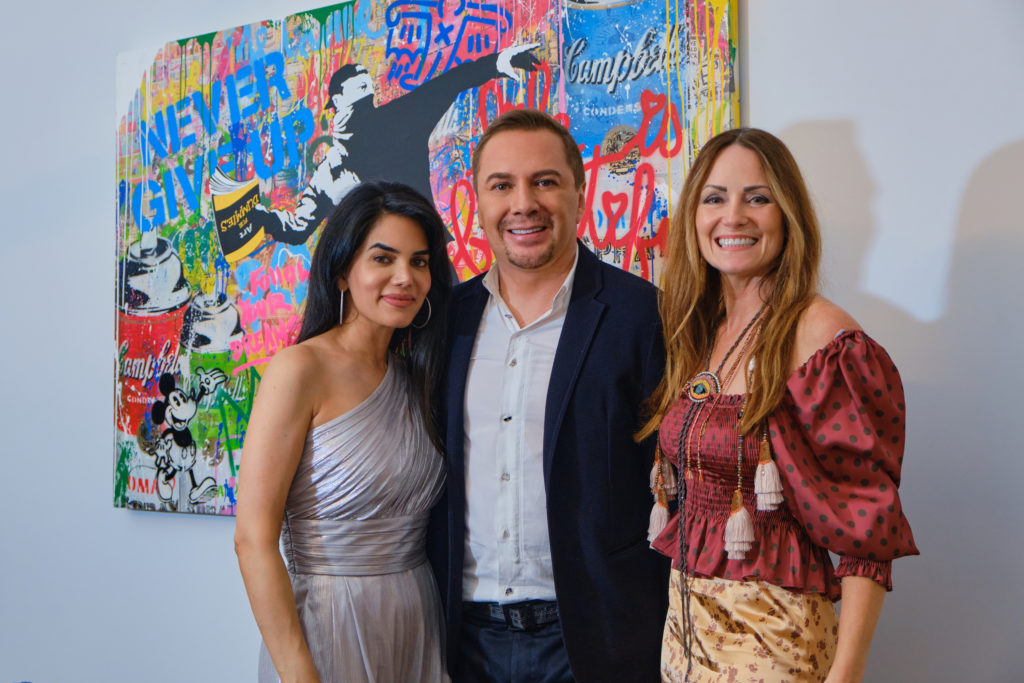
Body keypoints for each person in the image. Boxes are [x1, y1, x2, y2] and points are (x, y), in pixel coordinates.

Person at [640, 128, 919, 682]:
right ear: (694, 214)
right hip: (684, 638)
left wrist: (846, 671)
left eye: (758, 198)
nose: (734, 216)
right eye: (715, 197)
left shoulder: (827, 339)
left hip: (775, 641)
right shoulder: (698, 332)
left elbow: (869, 530)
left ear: (787, 214)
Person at [431, 109, 669, 682]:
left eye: (544, 181)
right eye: (502, 185)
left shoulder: (644, 314)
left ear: (579, 193)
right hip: (462, 639)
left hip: (597, 636)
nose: (523, 203)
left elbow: (674, 480)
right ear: (476, 201)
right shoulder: (442, 322)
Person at [234, 180, 453, 682]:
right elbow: (252, 538)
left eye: (419, 261)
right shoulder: (298, 370)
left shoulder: (416, 378)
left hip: (417, 616)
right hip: (329, 622)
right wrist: (297, 672)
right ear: (340, 274)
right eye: (383, 258)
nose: (405, 277)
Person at [257, 45, 540, 246]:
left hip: (419, 264)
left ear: (335, 105)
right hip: (410, 268)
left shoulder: (333, 165)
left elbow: (296, 229)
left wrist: (262, 219)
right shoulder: (391, 126)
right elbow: (448, 84)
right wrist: (495, 63)